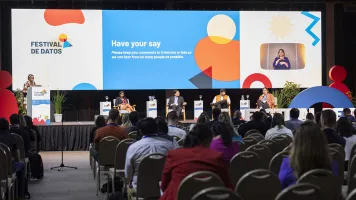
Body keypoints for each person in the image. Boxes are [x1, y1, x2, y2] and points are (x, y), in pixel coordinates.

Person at [160, 124, 232, 200]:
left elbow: (164, 185)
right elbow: (226, 185)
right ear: (207, 141)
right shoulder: (216, 156)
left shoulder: (174, 155)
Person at [125, 118, 178, 199]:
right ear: (157, 129)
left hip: (140, 189)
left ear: (141, 131)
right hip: (164, 189)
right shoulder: (170, 145)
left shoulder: (133, 147)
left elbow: (128, 173)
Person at [279, 121, 338, 189]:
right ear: (322, 142)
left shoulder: (288, 164)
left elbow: (280, 186)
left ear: (296, 142)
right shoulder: (333, 164)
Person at [0, 118, 26, 199]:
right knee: (22, 165)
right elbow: (17, 154)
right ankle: (21, 194)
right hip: (7, 169)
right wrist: (18, 160)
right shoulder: (11, 137)